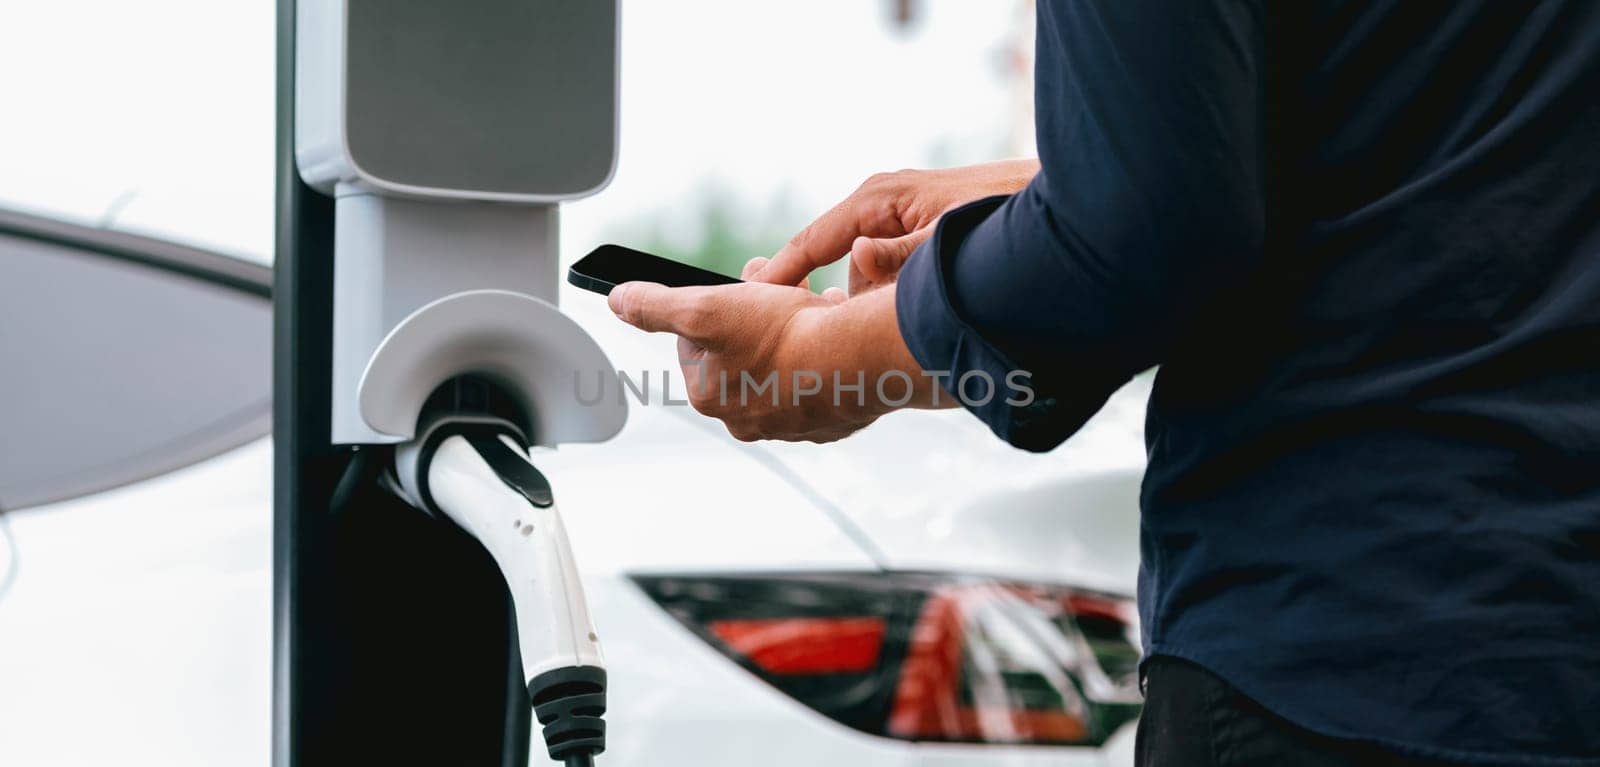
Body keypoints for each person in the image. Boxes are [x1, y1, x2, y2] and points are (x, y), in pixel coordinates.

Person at [608, 2, 1600, 764]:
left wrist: (831, 361)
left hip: (1346, 663)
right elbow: (1451, 137)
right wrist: (1058, 187)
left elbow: (1143, 238)